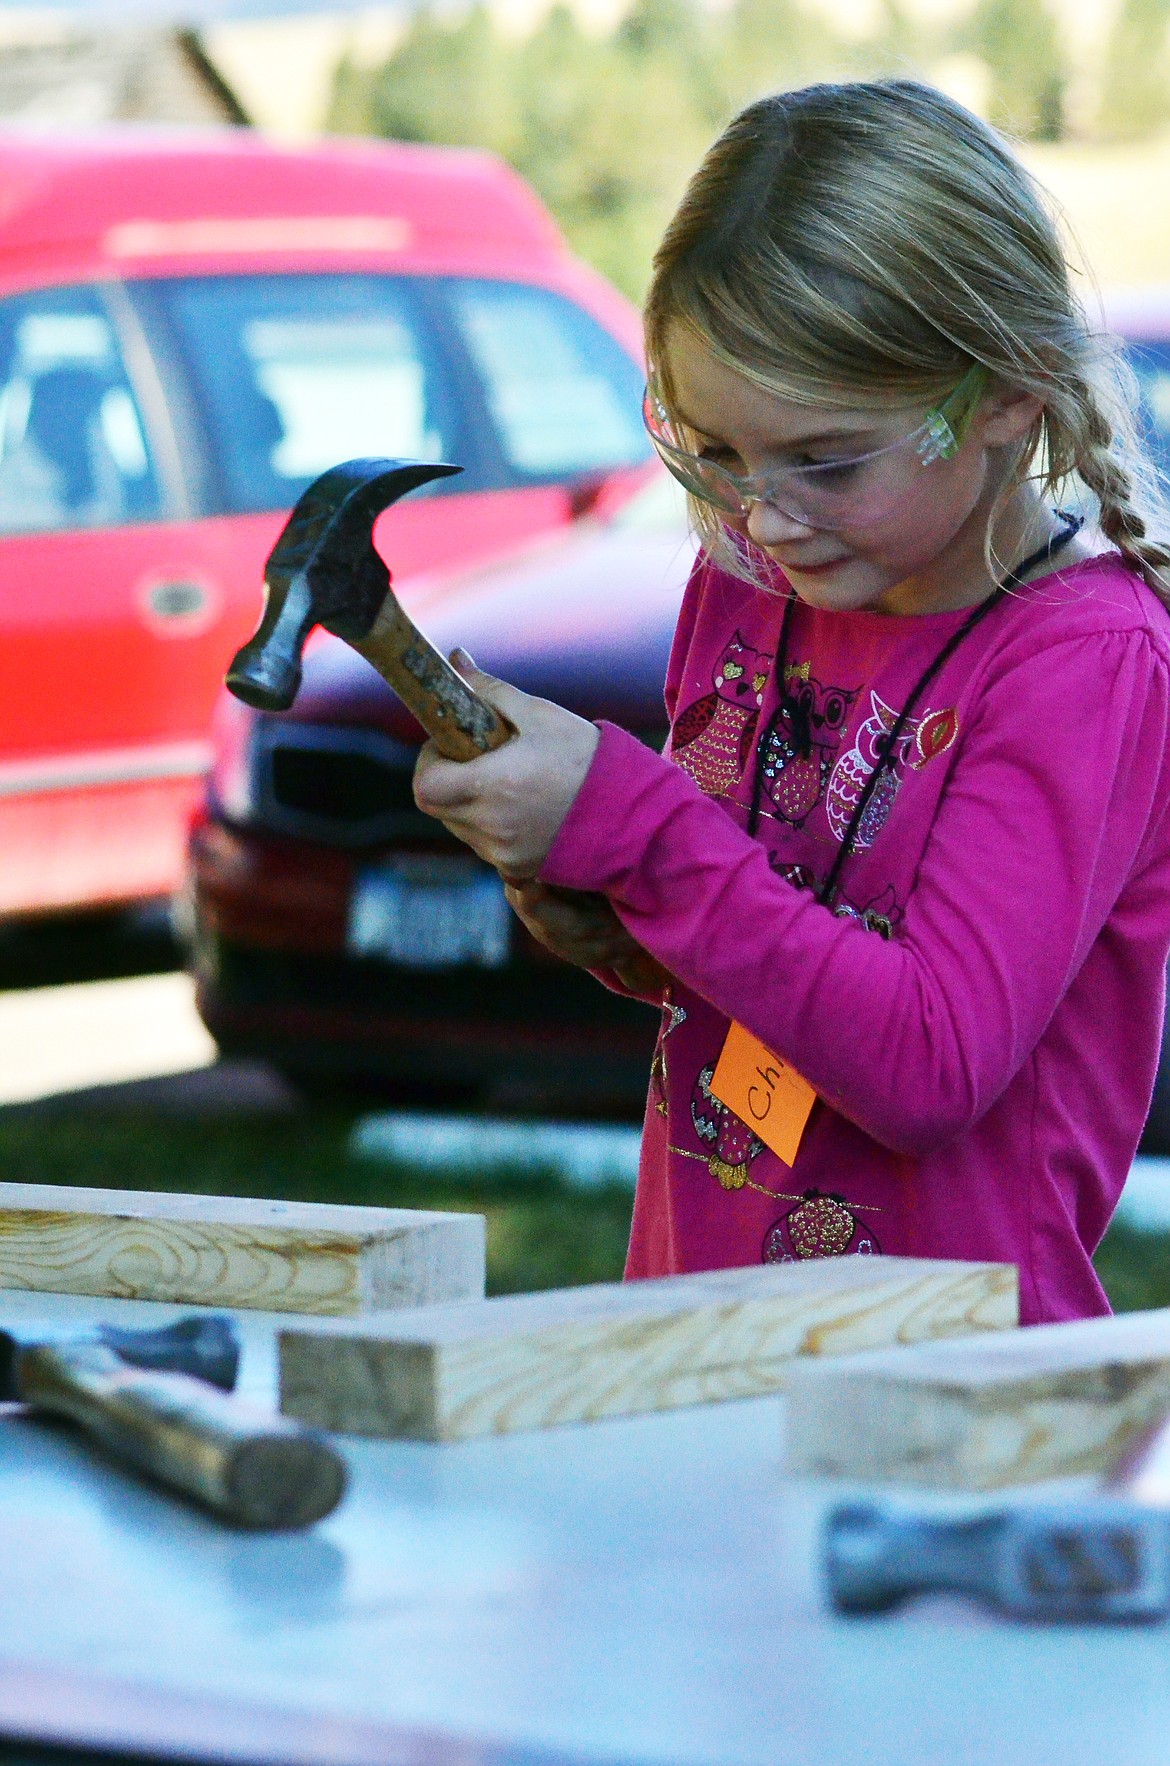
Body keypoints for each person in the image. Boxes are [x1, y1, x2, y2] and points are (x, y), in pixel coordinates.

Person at [414, 79, 1170, 1325]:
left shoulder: (1081, 666)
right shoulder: (748, 588)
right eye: (714, 453)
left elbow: (927, 1062)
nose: (764, 514)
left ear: (1008, 393)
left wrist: (642, 830)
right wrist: (599, 905)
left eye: (826, 461)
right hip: (697, 1347)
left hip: (954, 1392)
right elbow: (757, 951)